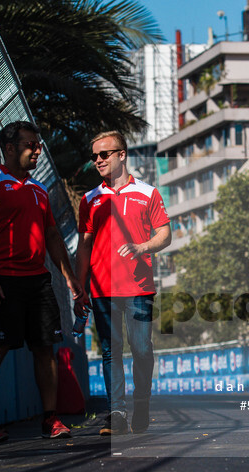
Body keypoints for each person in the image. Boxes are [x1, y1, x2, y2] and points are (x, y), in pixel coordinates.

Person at [0, 120, 83, 442]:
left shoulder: (39, 190)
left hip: (39, 282)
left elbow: (53, 236)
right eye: (31, 145)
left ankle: (50, 420)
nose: (37, 151)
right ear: (10, 148)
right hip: (3, 280)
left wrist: (70, 279)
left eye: (39, 145)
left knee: (45, 348)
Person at [75, 131, 170, 436]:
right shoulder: (89, 200)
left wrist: (142, 248)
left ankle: (142, 403)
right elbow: (85, 246)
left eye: (104, 154)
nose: (98, 161)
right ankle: (116, 412)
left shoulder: (148, 193)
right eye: (94, 156)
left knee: (142, 349)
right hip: (102, 289)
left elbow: (165, 234)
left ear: (121, 155)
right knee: (111, 351)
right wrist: (80, 286)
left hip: (139, 288)